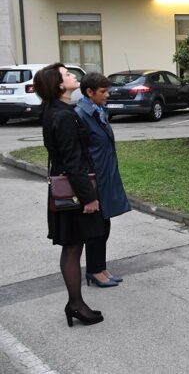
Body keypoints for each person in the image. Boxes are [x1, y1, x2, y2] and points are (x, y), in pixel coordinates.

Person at [35, 63, 105, 326]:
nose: (73, 75)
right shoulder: (63, 116)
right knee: (74, 248)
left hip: (67, 191)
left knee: (72, 247)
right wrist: (89, 197)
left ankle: (75, 303)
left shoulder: (55, 110)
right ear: (58, 85)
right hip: (74, 193)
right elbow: (72, 161)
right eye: (67, 74)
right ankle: (75, 304)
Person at [75, 72, 132, 288]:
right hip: (94, 178)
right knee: (96, 227)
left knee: (104, 225)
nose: (107, 94)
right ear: (89, 92)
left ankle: (100, 267)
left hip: (105, 175)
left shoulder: (98, 111)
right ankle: (93, 271)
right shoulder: (81, 114)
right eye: (102, 91)